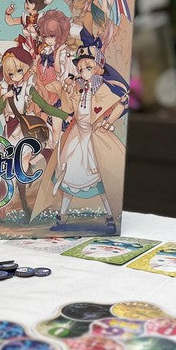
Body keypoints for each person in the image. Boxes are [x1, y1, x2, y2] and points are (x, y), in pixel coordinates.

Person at [31, 31, 129, 231]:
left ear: (98, 68)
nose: (83, 71)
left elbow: (120, 103)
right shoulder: (77, 88)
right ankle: (62, 218)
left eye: (88, 67)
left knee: (102, 178)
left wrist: (109, 121)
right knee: (68, 175)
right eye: (81, 68)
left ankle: (111, 217)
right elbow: (68, 108)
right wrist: (63, 94)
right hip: (76, 136)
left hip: (95, 137)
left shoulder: (103, 89)